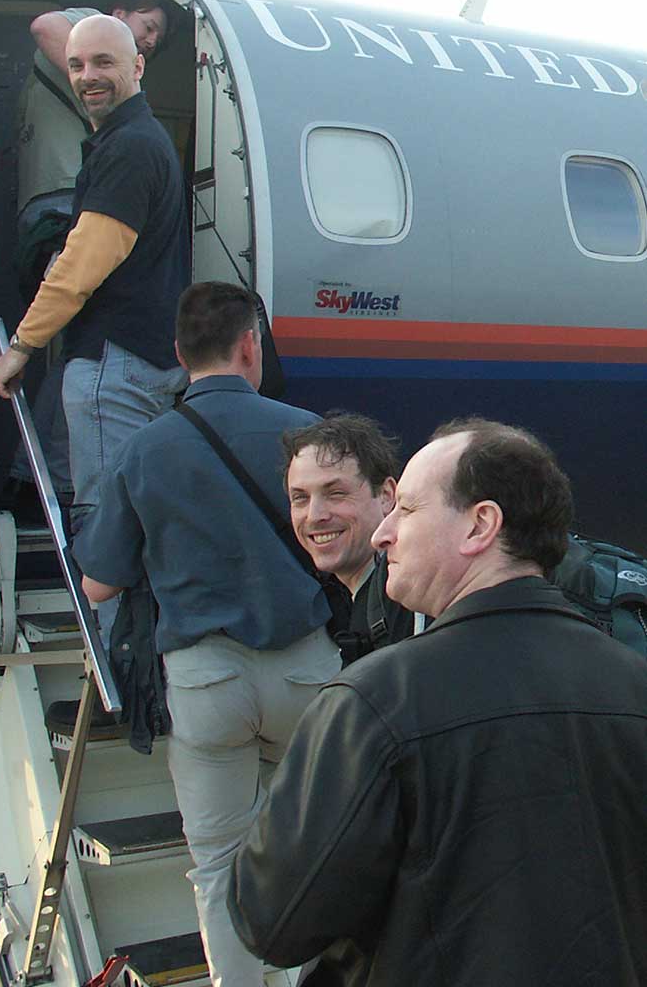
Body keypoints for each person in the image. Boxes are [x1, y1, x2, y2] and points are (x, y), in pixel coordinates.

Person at [229, 417, 647, 987]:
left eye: (406, 509)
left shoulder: (373, 703)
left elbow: (273, 922)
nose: (383, 534)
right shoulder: (632, 682)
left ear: (480, 526)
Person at [75, 281, 341, 987]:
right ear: (251, 345)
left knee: (219, 865)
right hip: (305, 674)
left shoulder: (145, 449)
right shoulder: (309, 436)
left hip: (206, 680)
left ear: (178, 353)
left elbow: (97, 584)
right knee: (311, 849)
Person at [0, 14, 190, 570]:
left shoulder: (128, 148)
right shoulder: (138, 140)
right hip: (133, 357)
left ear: (138, 66)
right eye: (76, 65)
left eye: (104, 62)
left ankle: (111, 627)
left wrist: (22, 346)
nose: (87, 76)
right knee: (123, 521)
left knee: (107, 531)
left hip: (113, 364)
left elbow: (83, 263)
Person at [284, 414, 415, 659]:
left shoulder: (413, 598)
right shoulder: (378, 598)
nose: (314, 516)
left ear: (386, 495)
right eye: (300, 498)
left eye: (335, 493)